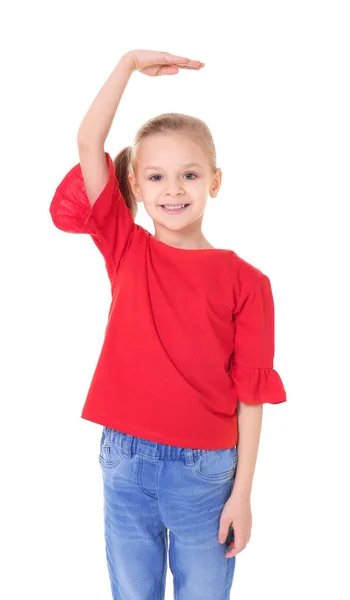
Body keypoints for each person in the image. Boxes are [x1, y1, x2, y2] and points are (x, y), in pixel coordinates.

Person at [49, 49, 287, 600]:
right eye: (156, 176)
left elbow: (250, 393)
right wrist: (128, 65)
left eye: (189, 175)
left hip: (205, 473)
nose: (173, 189)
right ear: (134, 183)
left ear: (215, 181)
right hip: (124, 460)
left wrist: (242, 492)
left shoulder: (247, 282)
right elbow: (89, 142)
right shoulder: (125, 246)